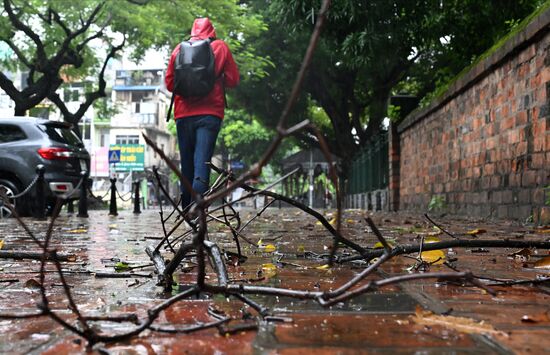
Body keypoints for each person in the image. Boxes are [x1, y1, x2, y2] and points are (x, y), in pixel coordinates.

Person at [165, 18, 239, 208]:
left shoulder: (178, 49)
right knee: (202, 163)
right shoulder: (220, 47)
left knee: (186, 165)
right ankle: (198, 214)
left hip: (183, 115)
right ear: (212, 31)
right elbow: (233, 80)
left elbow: (170, 84)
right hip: (209, 113)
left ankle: (186, 211)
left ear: (193, 31)